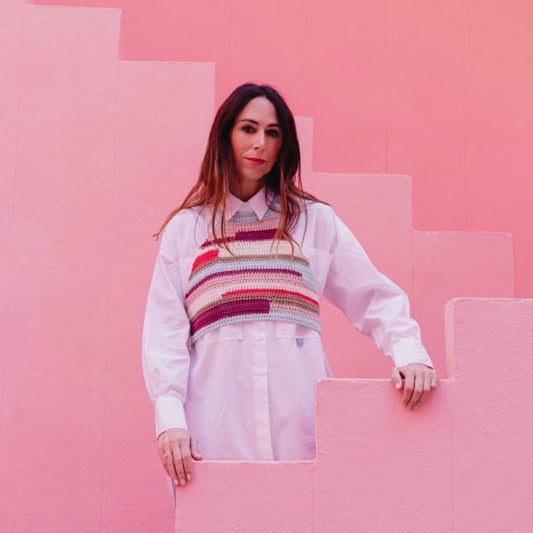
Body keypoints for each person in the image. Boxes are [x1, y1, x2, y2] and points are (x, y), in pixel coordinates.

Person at [141, 82, 437, 494]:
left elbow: (372, 295)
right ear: (226, 135)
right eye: (248, 129)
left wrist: (409, 353)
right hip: (213, 431)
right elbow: (164, 333)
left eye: (273, 132)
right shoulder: (187, 230)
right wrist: (170, 418)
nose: (260, 143)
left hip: (301, 425)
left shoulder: (312, 221)